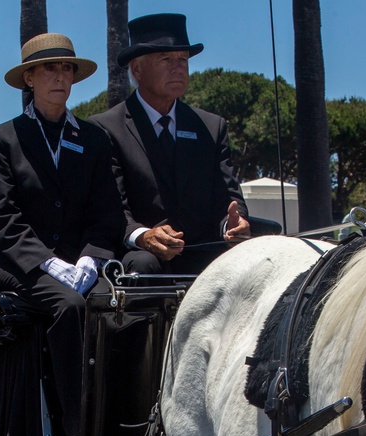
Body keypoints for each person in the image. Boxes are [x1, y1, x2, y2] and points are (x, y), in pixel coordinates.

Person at [0, 33, 125, 436]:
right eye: (50, 69)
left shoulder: (95, 139)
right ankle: (78, 433)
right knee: (68, 307)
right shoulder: (4, 139)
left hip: (80, 263)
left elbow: (108, 215)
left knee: (119, 302)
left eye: (67, 69)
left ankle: (127, 424)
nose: (60, 77)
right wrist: (49, 263)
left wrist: (89, 259)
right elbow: (2, 219)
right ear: (29, 78)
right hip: (17, 265)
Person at [90, 12, 251, 275]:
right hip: (143, 255)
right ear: (137, 69)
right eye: (166, 59)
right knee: (143, 265)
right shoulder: (106, 129)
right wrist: (143, 236)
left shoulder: (211, 127)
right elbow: (111, 209)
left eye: (183, 60)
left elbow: (228, 198)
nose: (178, 68)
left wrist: (233, 224)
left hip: (204, 251)